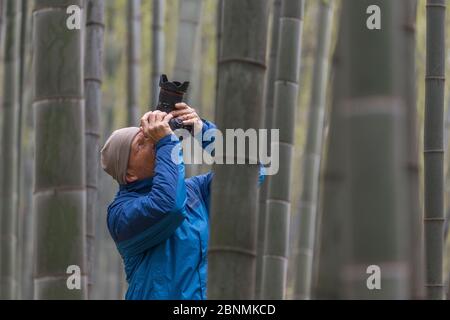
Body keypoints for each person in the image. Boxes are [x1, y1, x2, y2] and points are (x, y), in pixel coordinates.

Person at [100, 103, 215, 299]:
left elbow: (248, 175)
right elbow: (168, 207)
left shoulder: (194, 191)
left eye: (149, 136)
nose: (152, 141)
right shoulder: (120, 215)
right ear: (129, 175)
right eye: (141, 144)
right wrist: (167, 141)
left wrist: (202, 131)